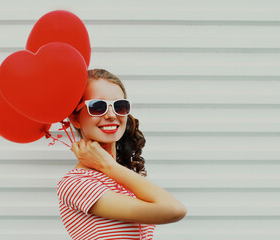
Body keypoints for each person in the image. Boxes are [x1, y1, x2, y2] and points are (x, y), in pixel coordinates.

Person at [57, 69, 186, 240]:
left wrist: (110, 166)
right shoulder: (76, 184)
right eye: (97, 107)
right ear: (75, 118)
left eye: (119, 106)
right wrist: (108, 165)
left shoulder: (118, 175)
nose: (111, 115)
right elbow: (174, 209)